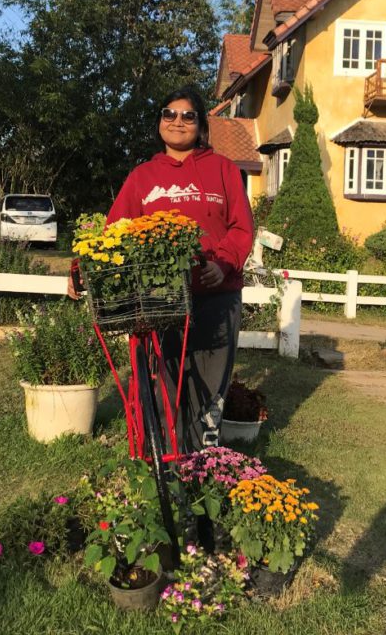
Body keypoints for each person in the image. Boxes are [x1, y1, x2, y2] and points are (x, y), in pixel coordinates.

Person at [70, 84, 254, 453]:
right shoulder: (143, 177)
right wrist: (82, 269)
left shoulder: (223, 170)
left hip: (216, 299)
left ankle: (201, 467)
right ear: (159, 122)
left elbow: (242, 227)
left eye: (188, 115)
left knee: (208, 390)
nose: (178, 121)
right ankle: (162, 469)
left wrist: (224, 262)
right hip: (160, 302)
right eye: (169, 113)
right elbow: (113, 234)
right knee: (162, 386)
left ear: (201, 125)